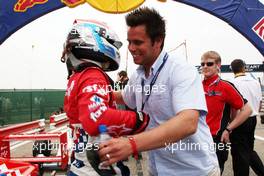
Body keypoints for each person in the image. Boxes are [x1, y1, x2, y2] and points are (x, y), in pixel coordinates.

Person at [99, 7, 219, 176]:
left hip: (194, 171)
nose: (131, 48)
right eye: (129, 42)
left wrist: (131, 144)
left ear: (158, 41)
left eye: (138, 42)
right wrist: (91, 93)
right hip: (157, 170)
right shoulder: (138, 75)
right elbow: (125, 97)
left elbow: (188, 122)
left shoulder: (181, 70)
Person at [61, 19, 150, 176]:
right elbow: (97, 117)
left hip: (82, 166)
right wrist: (140, 119)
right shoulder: (92, 75)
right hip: (96, 169)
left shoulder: (77, 76)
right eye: (111, 43)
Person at [200, 51, 252, 174]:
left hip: (216, 140)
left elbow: (247, 109)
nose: (205, 66)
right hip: (198, 139)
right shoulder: (196, 85)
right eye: (202, 64)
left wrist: (229, 129)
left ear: (218, 65)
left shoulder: (226, 86)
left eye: (209, 63)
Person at [230, 59, 264, 176]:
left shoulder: (233, 83)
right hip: (253, 118)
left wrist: (230, 124)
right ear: (244, 68)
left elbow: (231, 106)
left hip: (239, 120)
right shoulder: (255, 82)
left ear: (232, 69)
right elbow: (259, 104)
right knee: (249, 150)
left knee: (239, 152)